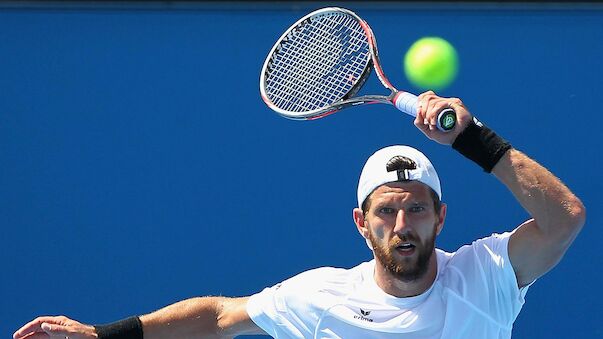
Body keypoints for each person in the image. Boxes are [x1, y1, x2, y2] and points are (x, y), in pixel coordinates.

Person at [14, 92, 585, 339]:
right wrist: (100, 336)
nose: (403, 224)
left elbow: (564, 219)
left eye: (416, 209)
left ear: (441, 216)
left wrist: (474, 140)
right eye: (387, 211)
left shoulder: (486, 277)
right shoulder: (321, 298)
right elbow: (216, 318)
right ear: (361, 224)